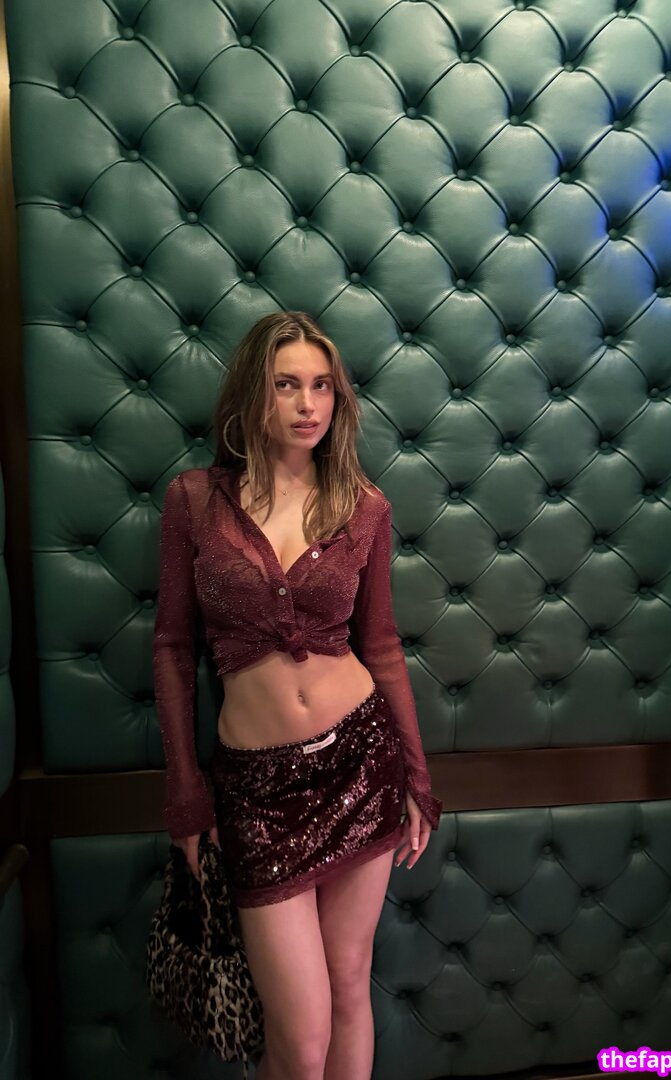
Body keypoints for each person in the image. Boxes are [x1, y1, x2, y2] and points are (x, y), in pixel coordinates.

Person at [152, 310, 442, 1080]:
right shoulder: (194, 500)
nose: (308, 404)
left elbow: (382, 646)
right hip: (256, 790)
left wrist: (418, 779)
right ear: (254, 394)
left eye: (322, 387)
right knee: (302, 1035)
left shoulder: (365, 506)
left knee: (349, 987)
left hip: (361, 764)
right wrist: (186, 794)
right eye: (287, 385)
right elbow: (173, 649)